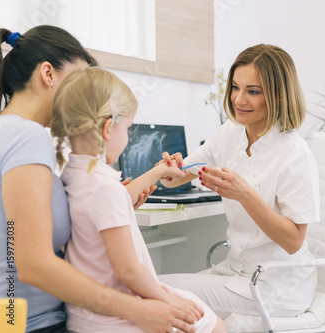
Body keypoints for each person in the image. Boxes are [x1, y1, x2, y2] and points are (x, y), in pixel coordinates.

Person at [0, 25, 198, 333]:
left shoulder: (13, 133)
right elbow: (32, 264)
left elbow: (82, 206)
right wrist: (138, 309)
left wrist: (154, 175)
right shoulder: (27, 138)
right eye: (79, 81)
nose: (85, 95)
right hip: (33, 323)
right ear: (47, 74)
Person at [51, 66, 226, 333]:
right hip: (114, 320)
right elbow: (128, 270)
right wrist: (167, 300)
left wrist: (157, 172)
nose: (129, 137)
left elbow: (110, 201)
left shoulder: (72, 174)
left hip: (85, 314)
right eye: (129, 128)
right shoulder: (104, 188)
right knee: (213, 323)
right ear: (109, 128)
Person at [160, 44, 320, 319]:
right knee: (152, 289)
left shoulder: (294, 153)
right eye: (235, 87)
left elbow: (294, 241)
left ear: (278, 96)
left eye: (253, 91)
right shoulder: (230, 133)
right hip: (234, 272)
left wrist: (244, 194)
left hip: (276, 286)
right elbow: (176, 179)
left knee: (160, 293)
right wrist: (169, 170)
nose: (238, 100)